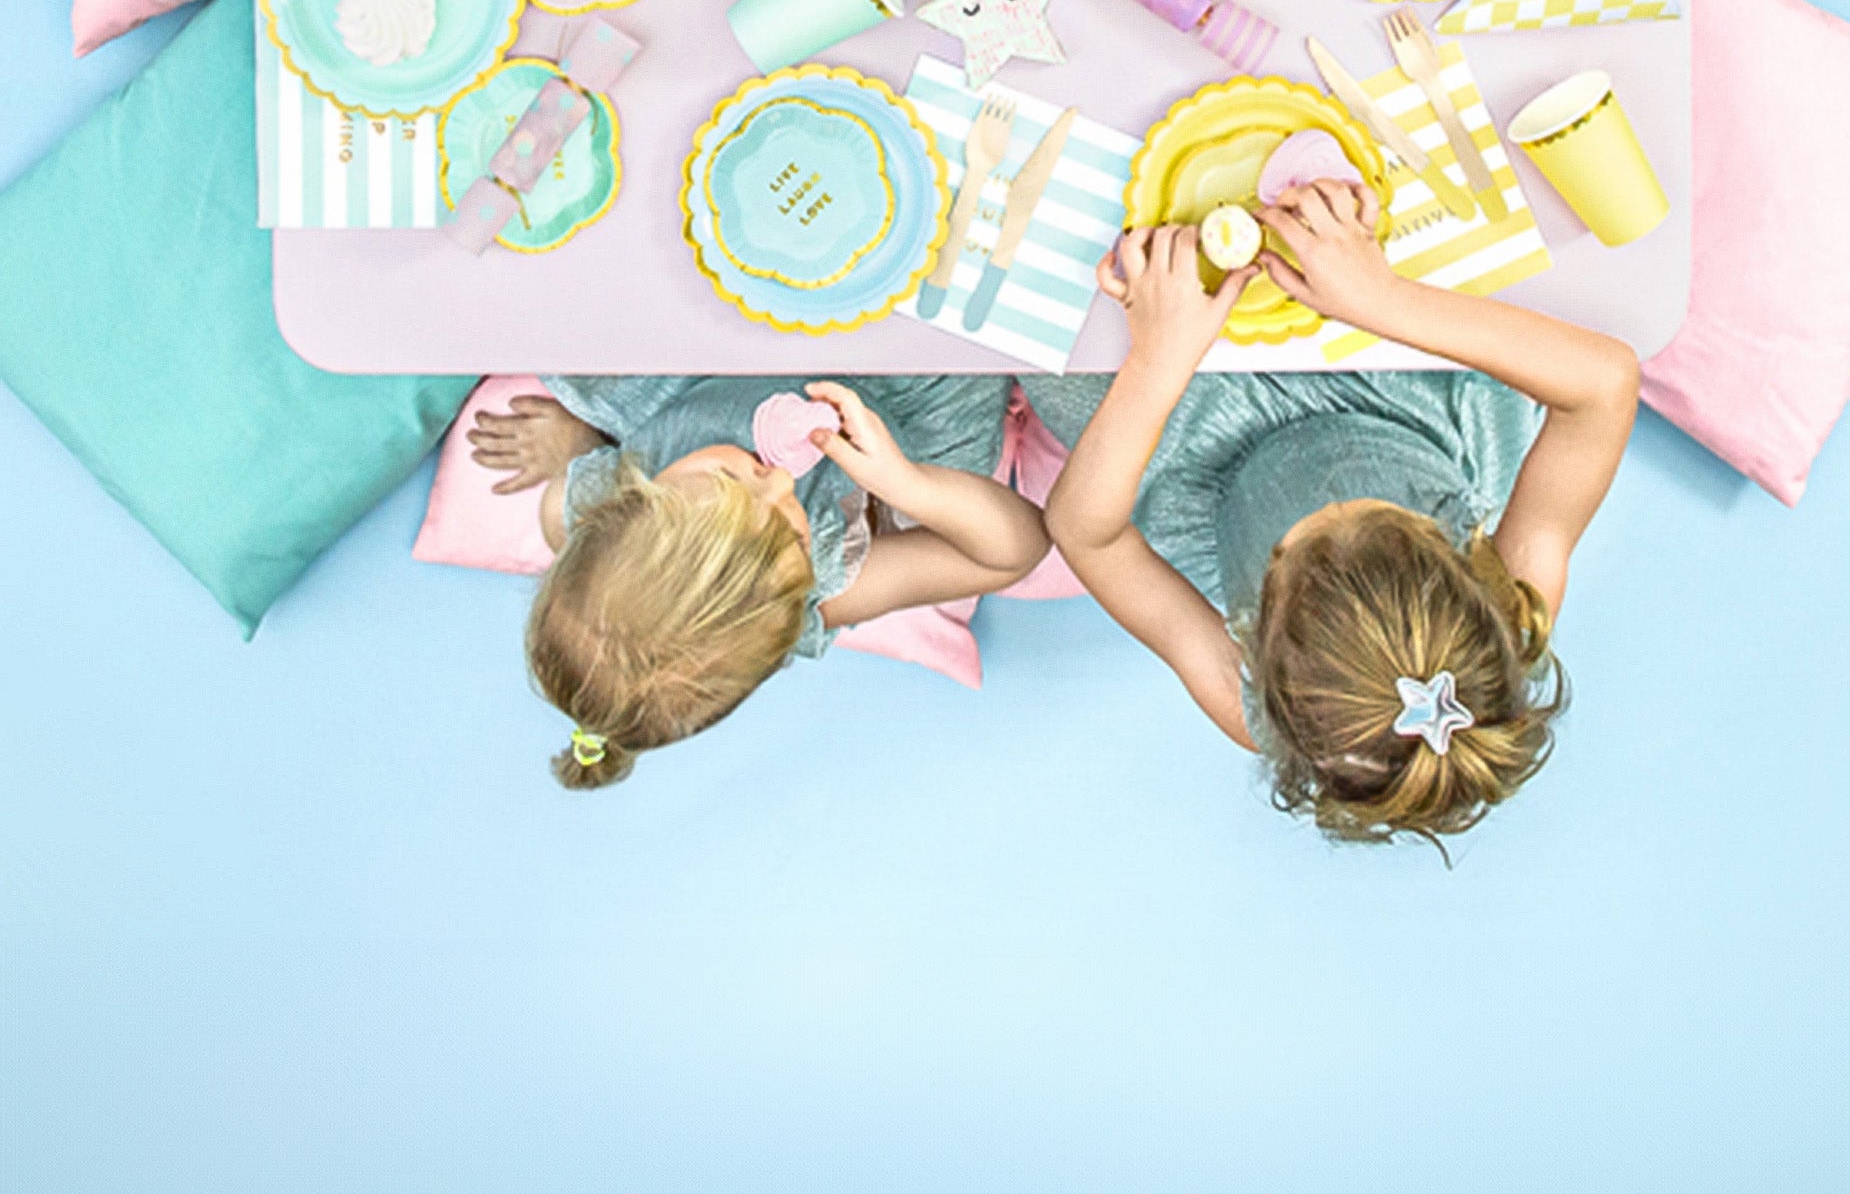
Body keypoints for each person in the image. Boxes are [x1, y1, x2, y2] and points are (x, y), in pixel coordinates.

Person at [1039, 183, 1638, 845]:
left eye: (1296, 541)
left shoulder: (1258, 710)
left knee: (1053, 315)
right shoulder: (1510, 615)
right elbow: (1605, 384)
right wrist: (1381, 299)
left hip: (1200, 436)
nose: (1330, 502)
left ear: (1266, 645)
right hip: (1398, 388)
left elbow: (1085, 534)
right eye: (1375, 508)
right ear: (1466, 572)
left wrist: (1157, 362)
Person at [469, 373, 1047, 788]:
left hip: (711, 376)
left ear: (627, 498)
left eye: (730, 476)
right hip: (893, 397)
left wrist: (584, 442)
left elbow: (560, 515)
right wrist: (906, 485)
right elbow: (1015, 551)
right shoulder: (814, 588)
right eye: (793, 536)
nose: (780, 483)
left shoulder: (601, 500)